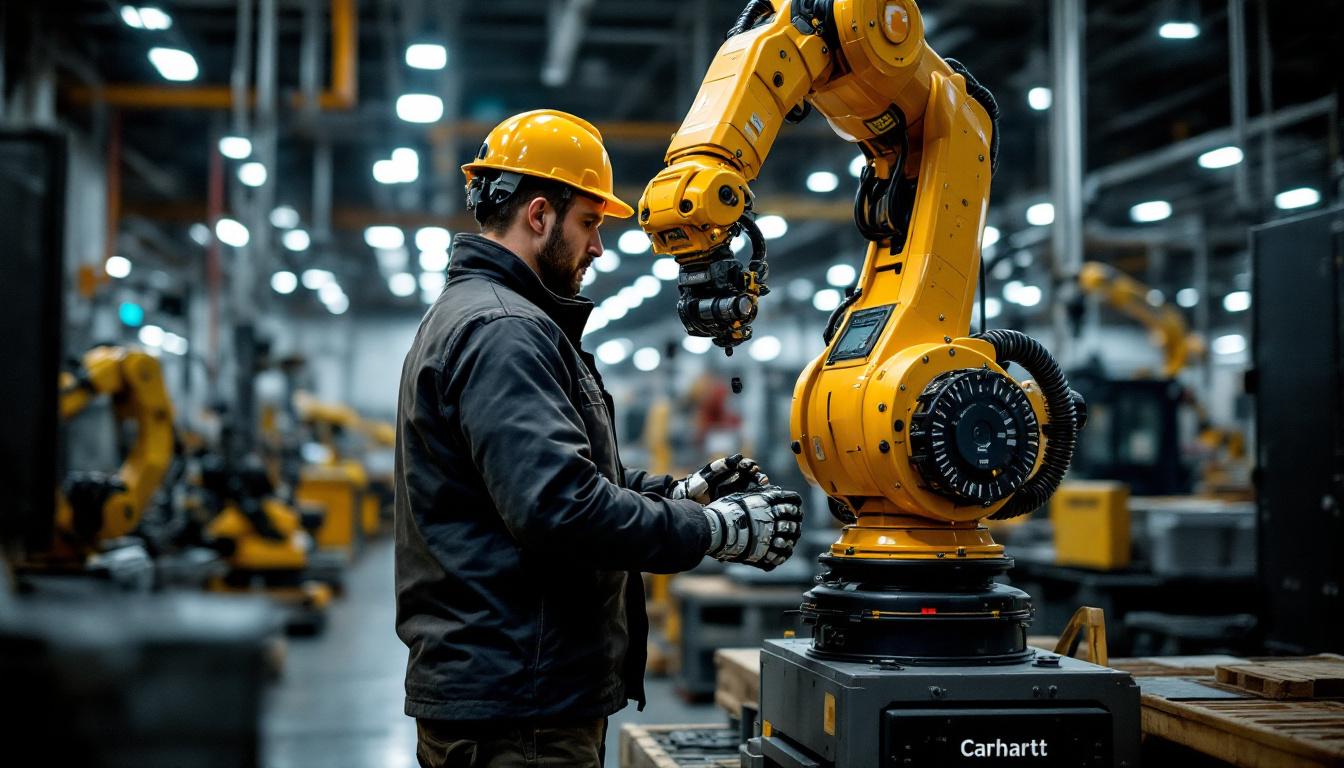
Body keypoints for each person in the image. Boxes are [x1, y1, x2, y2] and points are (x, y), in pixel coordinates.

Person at [393, 109, 805, 768]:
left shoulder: (493, 319)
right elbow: (557, 508)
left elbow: (555, 483)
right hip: (520, 709)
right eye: (590, 222)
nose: (598, 246)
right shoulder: (505, 331)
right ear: (538, 216)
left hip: (515, 694)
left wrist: (681, 494)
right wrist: (714, 531)